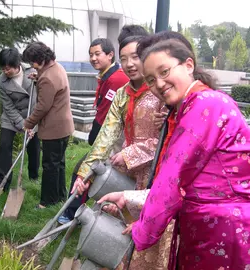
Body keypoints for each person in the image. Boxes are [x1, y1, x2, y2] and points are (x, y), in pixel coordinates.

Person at [99, 38, 250, 270]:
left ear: (188, 65)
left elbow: (173, 177)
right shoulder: (193, 105)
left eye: (165, 71)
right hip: (207, 222)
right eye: (150, 80)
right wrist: (130, 199)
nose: (158, 83)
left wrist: (141, 228)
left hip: (221, 225)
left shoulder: (205, 105)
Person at [73, 31, 175, 269]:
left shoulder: (162, 91)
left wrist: (130, 153)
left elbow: (169, 141)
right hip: (127, 173)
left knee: (148, 235)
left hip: (157, 173)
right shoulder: (122, 93)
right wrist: (85, 172)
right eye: (124, 58)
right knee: (118, 228)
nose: (129, 64)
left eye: (136, 57)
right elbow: (106, 137)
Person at [57, 37, 129, 224]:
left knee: (84, 173)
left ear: (110, 55)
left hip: (115, 143)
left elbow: (106, 116)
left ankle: (72, 213)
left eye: (97, 54)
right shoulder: (106, 76)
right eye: (91, 55)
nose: (93, 58)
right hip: (109, 140)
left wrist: (95, 139)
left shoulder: (117, 79)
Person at [22, 42, 74, 209]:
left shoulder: (47, 78)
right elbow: (52, 87)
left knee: (50, 165)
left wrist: (28, 123)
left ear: (40, 59)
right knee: (58, 163)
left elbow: (43, 106)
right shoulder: (57, 68)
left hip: (54, 128)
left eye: (32, 62)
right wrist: (38, 79)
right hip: (64, 126)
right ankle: (59, 195)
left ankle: (47, 201)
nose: (32, 66)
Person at [0, 48, 40, 190]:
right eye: (3, 69)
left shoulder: (32, 71)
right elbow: (8, 107)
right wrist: (23, 125)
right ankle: (3, 180)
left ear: (17, 64)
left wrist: (31, 123)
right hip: (12, 116)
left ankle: (33, 177)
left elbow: (41, 94)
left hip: (32, 113)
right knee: (4, 145)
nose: (5, 72)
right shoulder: (1, 81)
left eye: (8, 68)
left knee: (34, 145)